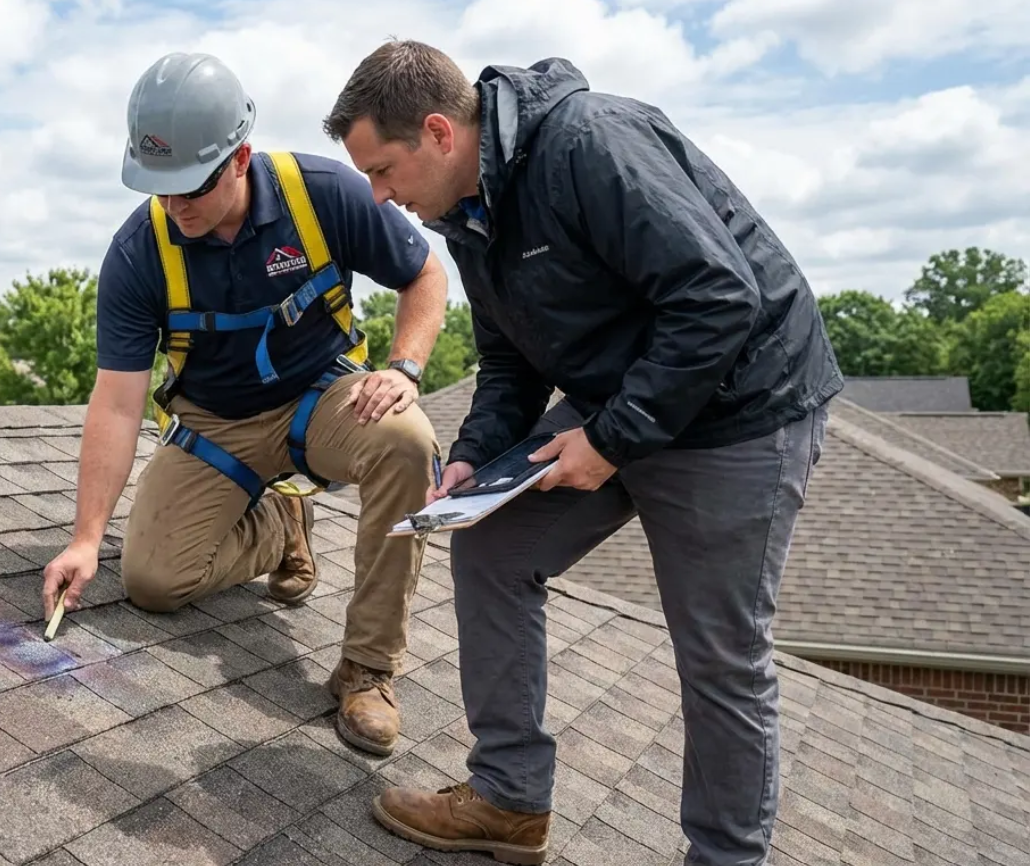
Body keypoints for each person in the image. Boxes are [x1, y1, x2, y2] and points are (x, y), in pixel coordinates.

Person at [322, 41, 843, 866]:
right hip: (620, 395)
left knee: (719, 653)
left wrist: (609, 441)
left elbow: (718, 299)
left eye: (383, 171)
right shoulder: (465, 214)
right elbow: (509, 362)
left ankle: (725, 857)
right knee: (491, 548)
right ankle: (508, 799)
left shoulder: (589, 142)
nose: (380, 197)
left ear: (439, 133)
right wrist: (473, 458)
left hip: (742, 406)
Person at [42, 51, 451, 756]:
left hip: (322, 398)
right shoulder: (139, 252)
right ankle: (281, 524)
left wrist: (405, 368)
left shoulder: (321, 194)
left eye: (191, 187)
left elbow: (426, 275)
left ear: (239, 158)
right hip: (216, 424)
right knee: (152, 581)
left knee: (407, 441)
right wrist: (85, 539)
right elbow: (116, 404)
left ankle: (368, 669)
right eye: (161, 189)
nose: (176, 207)